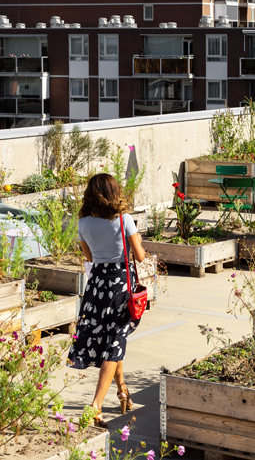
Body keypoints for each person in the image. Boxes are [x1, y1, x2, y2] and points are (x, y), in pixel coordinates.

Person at [68, 173, 146, 429]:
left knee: (113, 338)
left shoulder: (83, 223)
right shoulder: (124, 220)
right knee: (114, 343)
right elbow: (141, 256)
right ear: (114, 192)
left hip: (96, 286)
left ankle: (122, 390)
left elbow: (89, 256)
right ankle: (96, 406)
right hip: (120, 287)